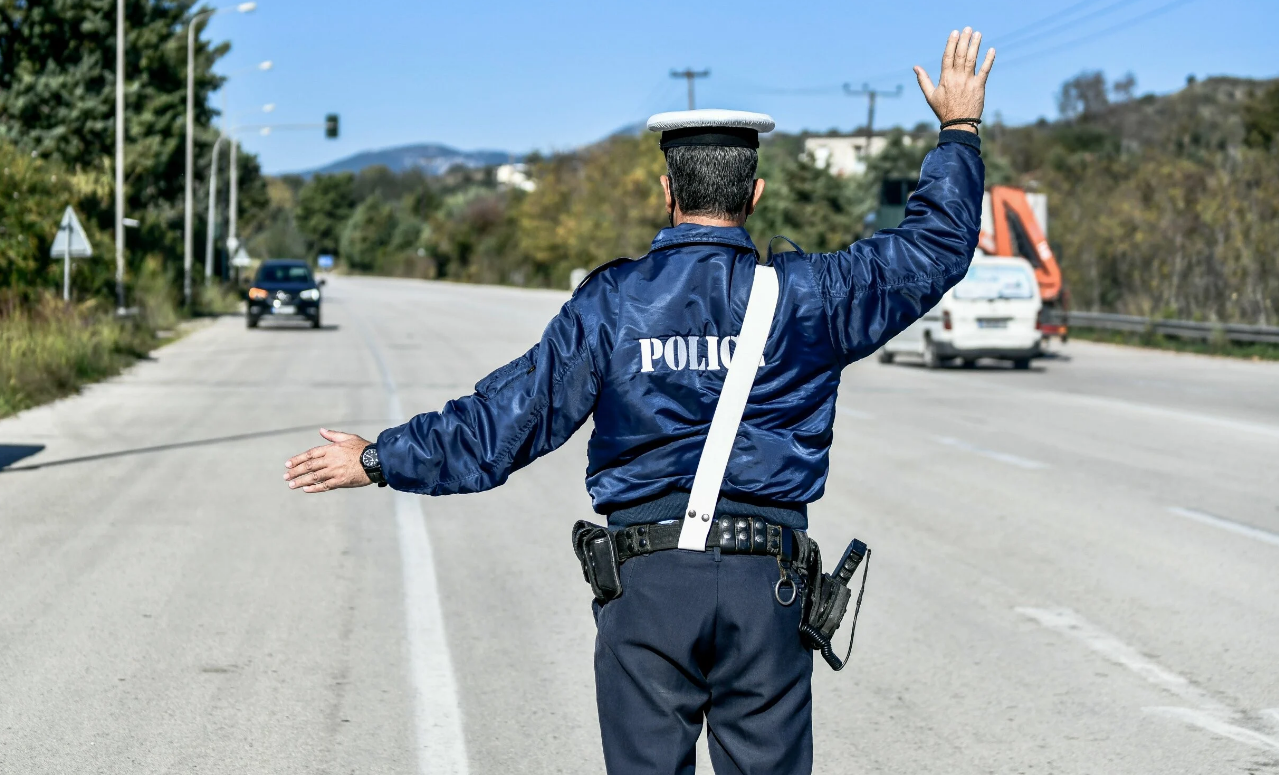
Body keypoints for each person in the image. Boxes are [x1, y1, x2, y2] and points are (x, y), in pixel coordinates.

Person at [285, 28, 994, 775]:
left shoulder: (613, 303)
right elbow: (931, 250)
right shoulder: (810, 296)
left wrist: (377, 458)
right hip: (769, 588)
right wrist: (957, 131)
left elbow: (507, 419)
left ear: (667, 192)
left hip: (647, 587)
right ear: (754, 194)